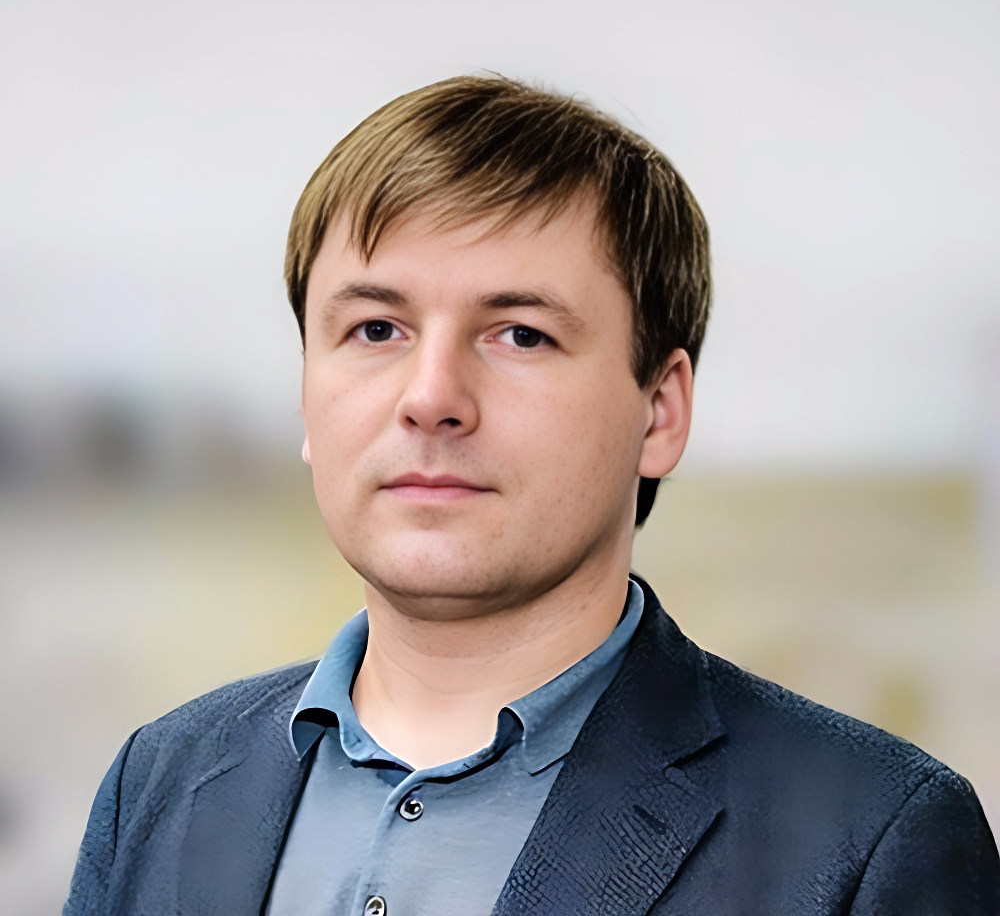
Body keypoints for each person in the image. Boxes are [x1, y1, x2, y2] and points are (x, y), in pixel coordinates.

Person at [64, 74, 999, 916]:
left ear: (660, 412)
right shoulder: (158, 783)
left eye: (520, 335)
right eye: (377, 328)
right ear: (306, 396)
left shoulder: (871, 843)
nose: (431, 397)